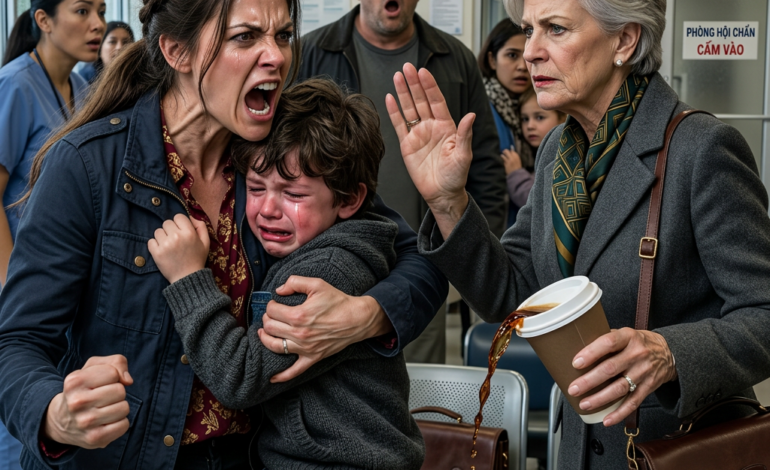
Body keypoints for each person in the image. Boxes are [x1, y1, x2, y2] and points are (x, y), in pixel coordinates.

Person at [0, 0, 446, 469]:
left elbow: (417, 257)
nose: (276, 56)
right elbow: (17, 341)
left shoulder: (279, 148)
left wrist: (365, 315)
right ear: (177, 51)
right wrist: (55, 415)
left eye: (283, 36)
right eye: (245, 37)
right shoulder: (88, 164)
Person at [385, 0, 770, 467]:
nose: (531, 51)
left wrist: (670, 353)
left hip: (673, 450)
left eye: (556, 29)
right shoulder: (558, 151)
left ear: (624, 41)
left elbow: (763, 312)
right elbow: (515, 297)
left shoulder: (700, 149)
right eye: (528, 31)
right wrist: (448, 202)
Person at [148, 78, 424, 469]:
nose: (268, 210)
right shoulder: (315, 241)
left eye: (293, 195)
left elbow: (239, 378)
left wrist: (188, 279)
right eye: (256, 188)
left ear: (349, 200)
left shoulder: (328, 270)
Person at [298, 0, 506, 364]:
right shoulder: (311, 52)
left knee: (420, 392)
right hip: (331, 258)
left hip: (426, 266)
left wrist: (476, 257)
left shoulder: (454, 58)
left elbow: (486, 163)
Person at [0, 3, 104, 468]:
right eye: (82, 10)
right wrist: (9, 281)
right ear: (43, 20)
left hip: (59, 279)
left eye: (101, 10)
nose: (98, 24)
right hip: (20, 280)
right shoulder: (16, 85)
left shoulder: (82, 87)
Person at [478, 19, 534, 227]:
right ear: (492, 60)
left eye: (526, 53)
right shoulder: (482, 108)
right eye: (512, 55)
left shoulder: (539, 106)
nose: (522, 66)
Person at [504, 88, 567, 220]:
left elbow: (541, 201)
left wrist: (516, 175)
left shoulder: (561, 154)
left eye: (539, 117)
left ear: (563, 118)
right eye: (525, 119)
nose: (530, 126)